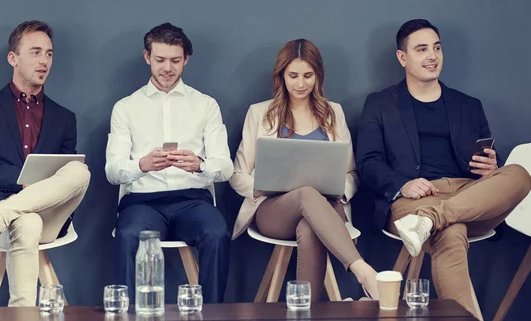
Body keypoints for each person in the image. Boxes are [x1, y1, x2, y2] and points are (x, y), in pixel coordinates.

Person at [356, 19, 531, 319]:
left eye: (436, 48)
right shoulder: (381, 103)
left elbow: (488, 159)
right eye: (422, 49)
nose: (432, 56)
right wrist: (402, 185)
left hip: (467, 193)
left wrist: (491, 168)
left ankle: (431, 220)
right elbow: (368, 161)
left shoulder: (468, 105)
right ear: (402, 58)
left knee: (519, 174)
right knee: (451, 233)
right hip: (413, 198)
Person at [0, 20, 90, 306]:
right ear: (13, 58)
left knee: (79, 170)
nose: (44, 61)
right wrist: (19, 179)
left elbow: (63, 181)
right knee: (26, 223)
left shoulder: (65, 118)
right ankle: (22, 315)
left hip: (48, 214)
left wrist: (33, 190)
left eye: (49, 54)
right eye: (36, 52)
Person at [230, 39, 379, 301]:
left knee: (310, 226)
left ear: (318, 76)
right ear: (281, 76)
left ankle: (305, 311)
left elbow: (352, 174)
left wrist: (340, 192)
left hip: (327, 209)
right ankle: (363, 270)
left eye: (308, 76)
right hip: (273, 211)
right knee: (306, 194)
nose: (301, 84)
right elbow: (237, 175)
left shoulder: (334, 113)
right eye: (293, 76)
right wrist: (261, 184)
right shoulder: (260, 113)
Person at [105, 22, 233, 303]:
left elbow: (226, 166)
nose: (167, 68)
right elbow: (113, 171)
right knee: (127, 235)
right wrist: (142, 165)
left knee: (216, 232)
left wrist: (200, 164)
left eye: (175, 60)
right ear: (147, 57)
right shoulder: (126, 107)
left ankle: (212, 313)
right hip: (142, 202)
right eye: (160, 59)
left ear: (186, 59)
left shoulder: (206, 105)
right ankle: (129, 314)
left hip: (193, 201)